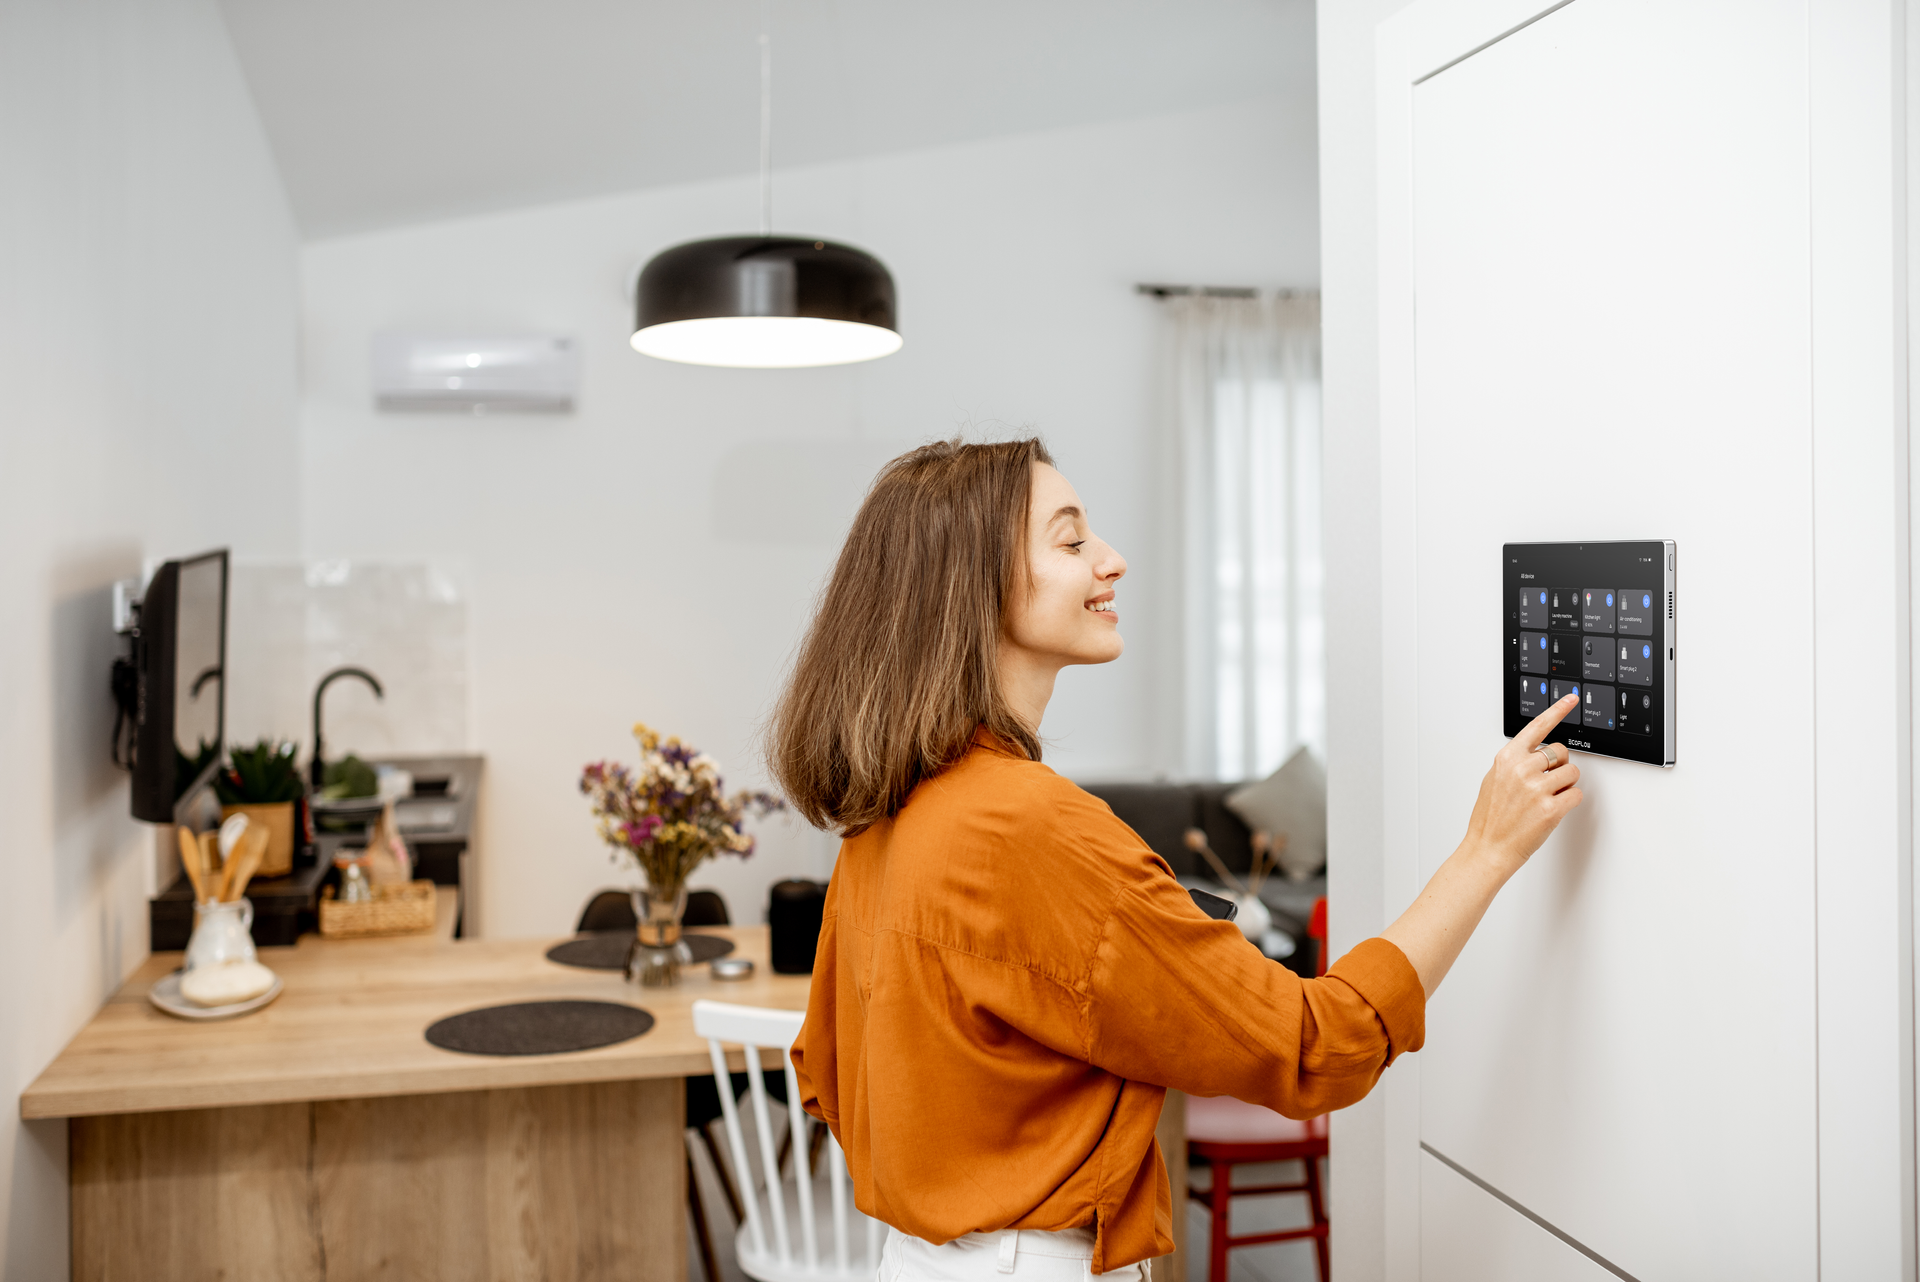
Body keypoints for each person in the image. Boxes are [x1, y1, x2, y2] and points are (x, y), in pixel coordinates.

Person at [769, 438, 1582, 1282]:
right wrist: (1486, 849)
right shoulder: (1032, 826)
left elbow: (824, 1072)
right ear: (973, 585)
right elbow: (1315, 1045)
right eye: (1072, 540)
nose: (1112, 561)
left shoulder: (885, 812)